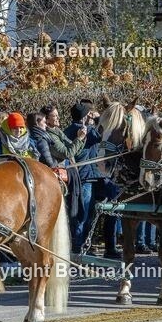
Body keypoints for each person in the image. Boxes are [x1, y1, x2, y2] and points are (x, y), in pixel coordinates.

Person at [65, 103, 101, 253]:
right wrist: (97, 121)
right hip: (85, 177)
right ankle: (79, 246)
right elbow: (101, 136)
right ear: (85, 116)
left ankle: (80, 244)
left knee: (78, 212)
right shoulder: (86, 130)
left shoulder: (67, 130)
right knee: (84, 214)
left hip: (77, 176)